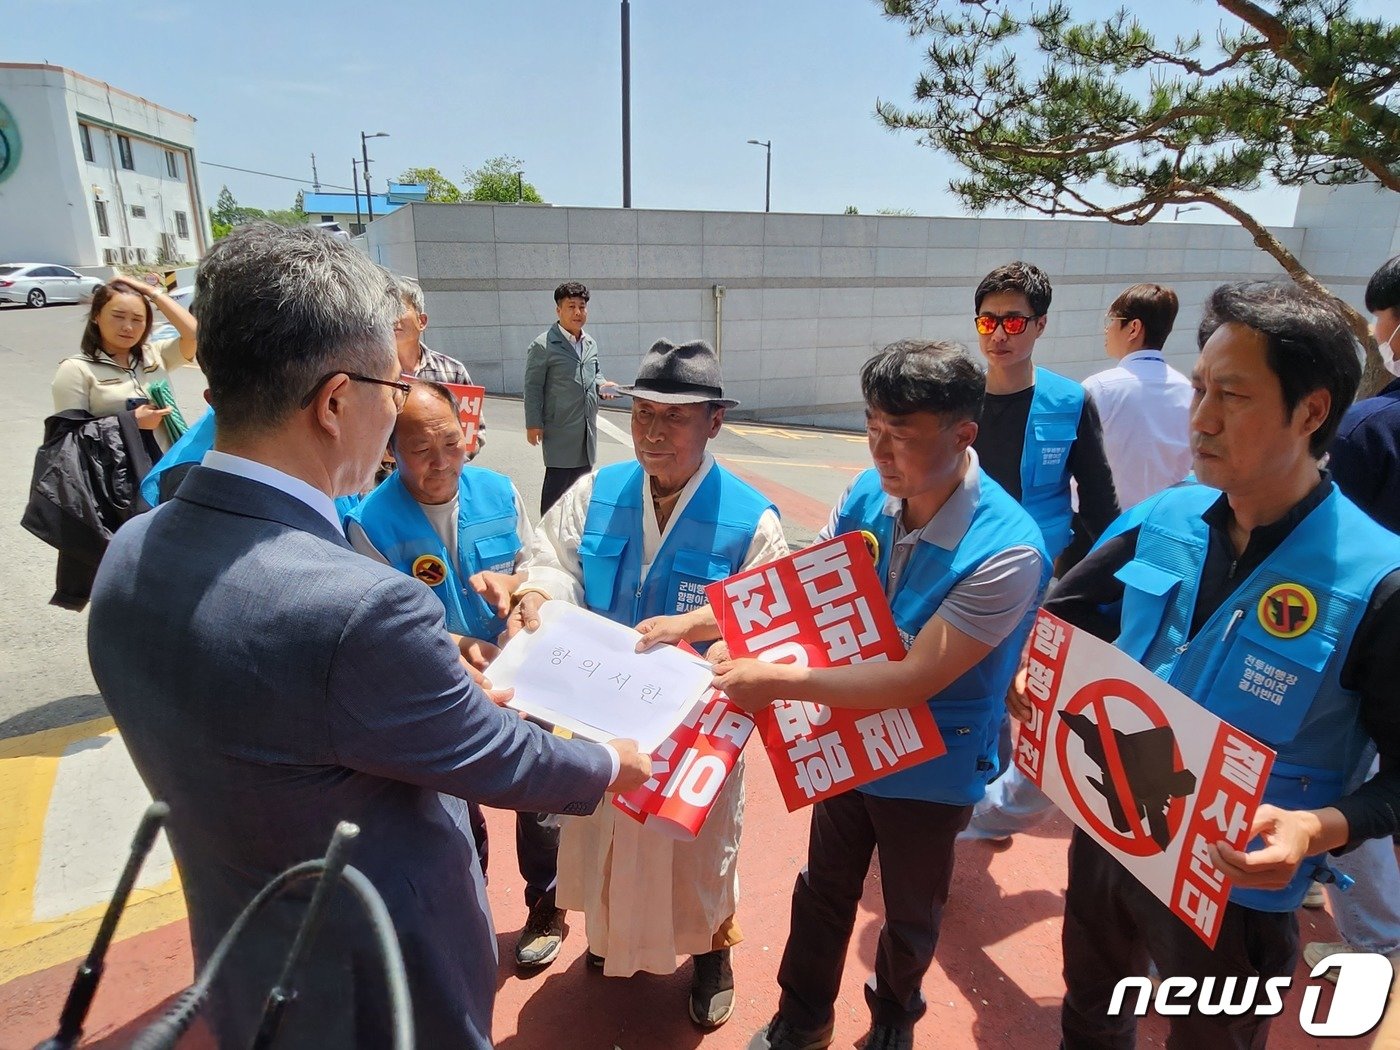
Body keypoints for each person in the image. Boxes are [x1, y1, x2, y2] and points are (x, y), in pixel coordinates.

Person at [86, 223, 650, 1049]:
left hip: (247, 970)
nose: (400, 408)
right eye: (394, 386)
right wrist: (610, 763)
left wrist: (431, 696)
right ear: (336, 402)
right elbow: (500, 757)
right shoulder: (359, 608)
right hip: (382, 990)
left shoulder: (132, 554)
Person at [1030, 281, 1400, 1049]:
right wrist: (1033, 684)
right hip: (1110, 831)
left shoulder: (1377, 580)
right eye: (1199, 389)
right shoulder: (1161, 518)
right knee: (1090, 1014)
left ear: (1311, 411)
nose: (1199, 420)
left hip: (1235, 888)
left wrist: (1317, 828)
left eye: (1231, 396)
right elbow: (1064, 620)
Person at [732, 341, 1050, 1050]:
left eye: (901, 435)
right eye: (872, 425)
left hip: (933, 761)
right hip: (844, 732)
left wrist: (776, 681)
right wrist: (713, 627)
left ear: (963, 435)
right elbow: (808, 585)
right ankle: (802, 1018)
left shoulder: (1007, 549)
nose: (880, 449)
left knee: (910, 911)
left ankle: (891, 1023)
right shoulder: (866, 492)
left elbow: (914, 680)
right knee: (822, 889)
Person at [507, 339, 788, 1028]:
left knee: (696, 853)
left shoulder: (751, 518)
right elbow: (550, 559)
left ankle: (711, 954)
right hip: (601, 719)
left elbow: (768, 621)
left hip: (695, 731)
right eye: (643, 414)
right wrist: (539, 594)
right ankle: (612, 940)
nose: (653, 432)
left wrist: (722, 644)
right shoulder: (596, 492)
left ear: (714, 422)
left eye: (676, 417)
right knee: (604, 839)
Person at [345, 381, 567, 970]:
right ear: (392, 449)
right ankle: (470, 914)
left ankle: (546, 909)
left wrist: (523, 599)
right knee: (452, 814)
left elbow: (534, 567)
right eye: (422, 449)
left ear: (467, 434)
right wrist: (455, 644)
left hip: (522, 672)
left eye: (451, 441)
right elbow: (380, 619)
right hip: (438, 685)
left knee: (540, 797)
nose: (441, 461)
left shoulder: (499, 490)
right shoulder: (370, 521)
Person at [960, 261, 1121, 844]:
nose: (998, 334)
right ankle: (970, 787)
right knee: (966, 670)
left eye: (1013, 321)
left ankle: (990, 797)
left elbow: (1100, 502)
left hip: (1036, 570)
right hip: (962, 558)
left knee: (1010, 678)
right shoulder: (958, 395)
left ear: (1040, 324)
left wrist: (1069, 572)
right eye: (987, 320)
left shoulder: (1068, 400)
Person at [1301, 254, 1400, 977]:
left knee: (1347, 780)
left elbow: (1326, 537)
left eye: (1383, 317)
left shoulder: (1372, 427)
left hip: (1362, 635)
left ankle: (1378, 942)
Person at [52, 273, 198, 453]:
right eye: (118, 316)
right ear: (96, 316)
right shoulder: (76, 369)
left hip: (164, 470)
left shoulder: (155, 354)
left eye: (137, 319)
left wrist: (150, 291)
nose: (128, 327)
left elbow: (194, 335)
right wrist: (130, 422)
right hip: (115, 475)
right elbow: (67, 438)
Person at [1081, 283, 1193, 511]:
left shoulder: (1098, 388)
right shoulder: (1189, 391)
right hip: (1165, 521)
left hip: (1103, 527)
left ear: (1133, 328)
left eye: (1111, 320)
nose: (1107, 329)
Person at [523, 281, 620, 514]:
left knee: (582, 489)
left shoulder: (590, 343)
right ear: (559, 310)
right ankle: (546, 538)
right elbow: (533, 387)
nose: (578, 312)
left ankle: (575, 536)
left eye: (582, 307)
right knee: (556, 492)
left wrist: (602, 385)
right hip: (560, 429)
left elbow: (595, 373)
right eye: (571, 306)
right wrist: (533, 424)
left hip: (586, 430)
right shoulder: (543, 345)